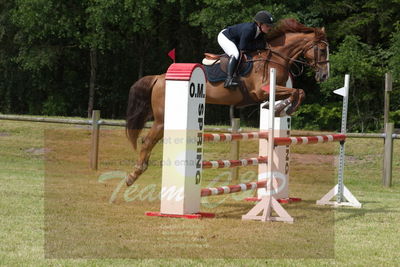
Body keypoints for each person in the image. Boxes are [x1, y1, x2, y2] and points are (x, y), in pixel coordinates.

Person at [218, 10, 274, 89]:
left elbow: (260, 46)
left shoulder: (261, 32)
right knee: (235, 53)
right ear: (260, 24)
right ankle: (228, 80)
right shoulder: (249, 29)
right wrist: (259, 46)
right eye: (267, 26)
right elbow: (243, 47)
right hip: (225, 37)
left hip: (235, 40)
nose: (270, 28)